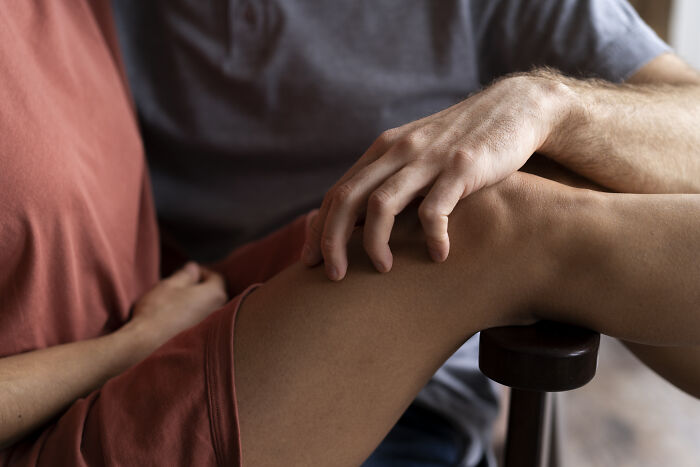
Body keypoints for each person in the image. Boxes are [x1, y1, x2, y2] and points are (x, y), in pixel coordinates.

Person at [1, 2, 700, 467]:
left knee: (533, 177)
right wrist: (125, 347)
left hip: (421, 384)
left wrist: (554, 106)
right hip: (216, 344)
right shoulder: (93, 19)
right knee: (489, 214)